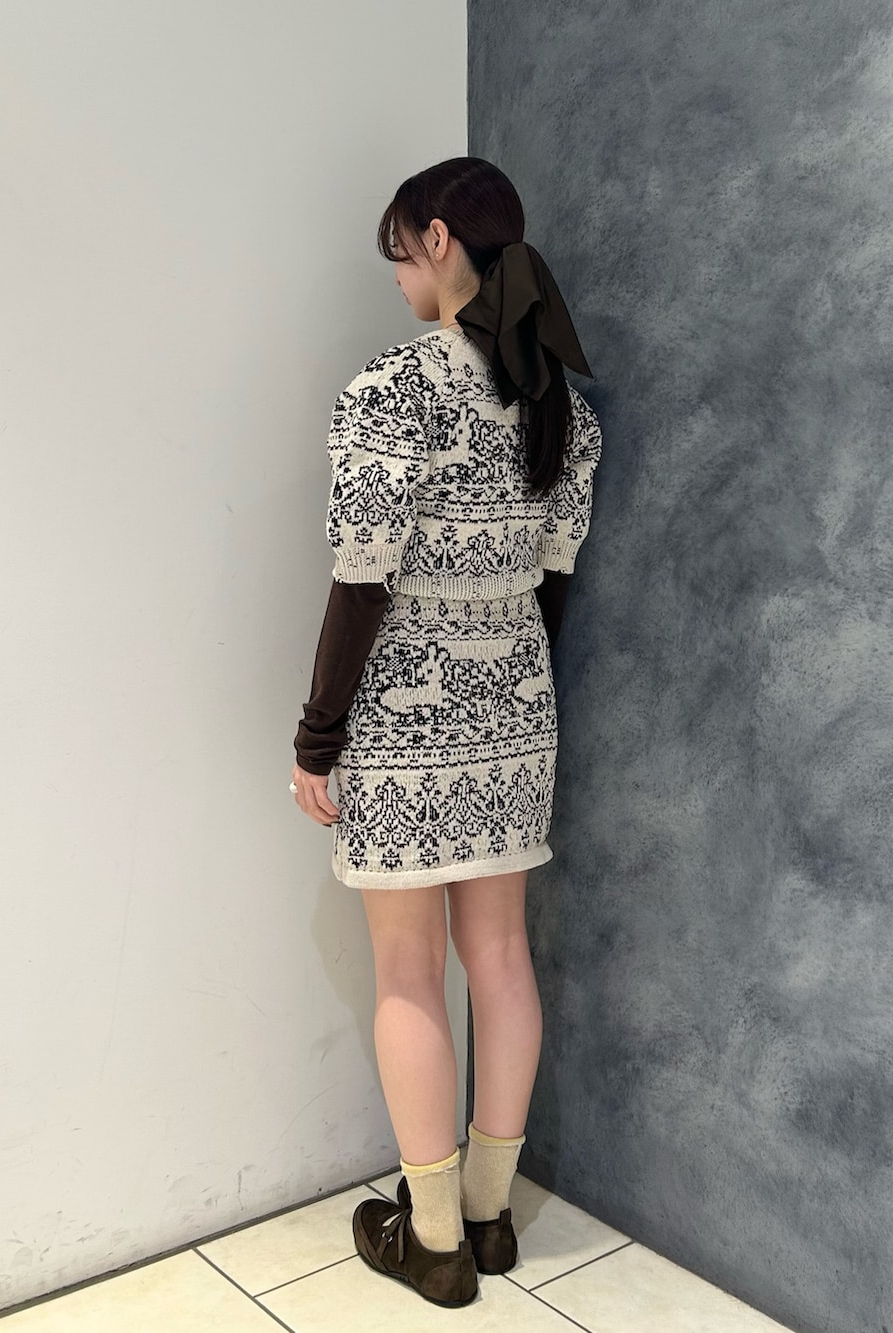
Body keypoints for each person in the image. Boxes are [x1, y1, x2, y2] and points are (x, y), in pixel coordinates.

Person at [289, 156, 602, 1308]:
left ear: (433, 239)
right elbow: (553, 584)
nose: (395, 276)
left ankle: (429, 1243)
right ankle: (490, 1216)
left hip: (404, 713)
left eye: (399, 251)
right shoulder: (561, 405)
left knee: (409, 971)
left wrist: (317, 737)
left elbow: (360, 581)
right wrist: (509, 699)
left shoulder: (392, 390)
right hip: (518, 709)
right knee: (502, 959)